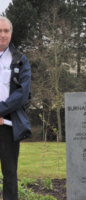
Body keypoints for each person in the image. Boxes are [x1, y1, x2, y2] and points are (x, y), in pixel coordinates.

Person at [0, 16, 32, 200]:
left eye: (6, 31)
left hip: (7, 127)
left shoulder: (20, 60)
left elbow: (22, 94)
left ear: (11, 33)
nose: (2, 35)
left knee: (10, 174)